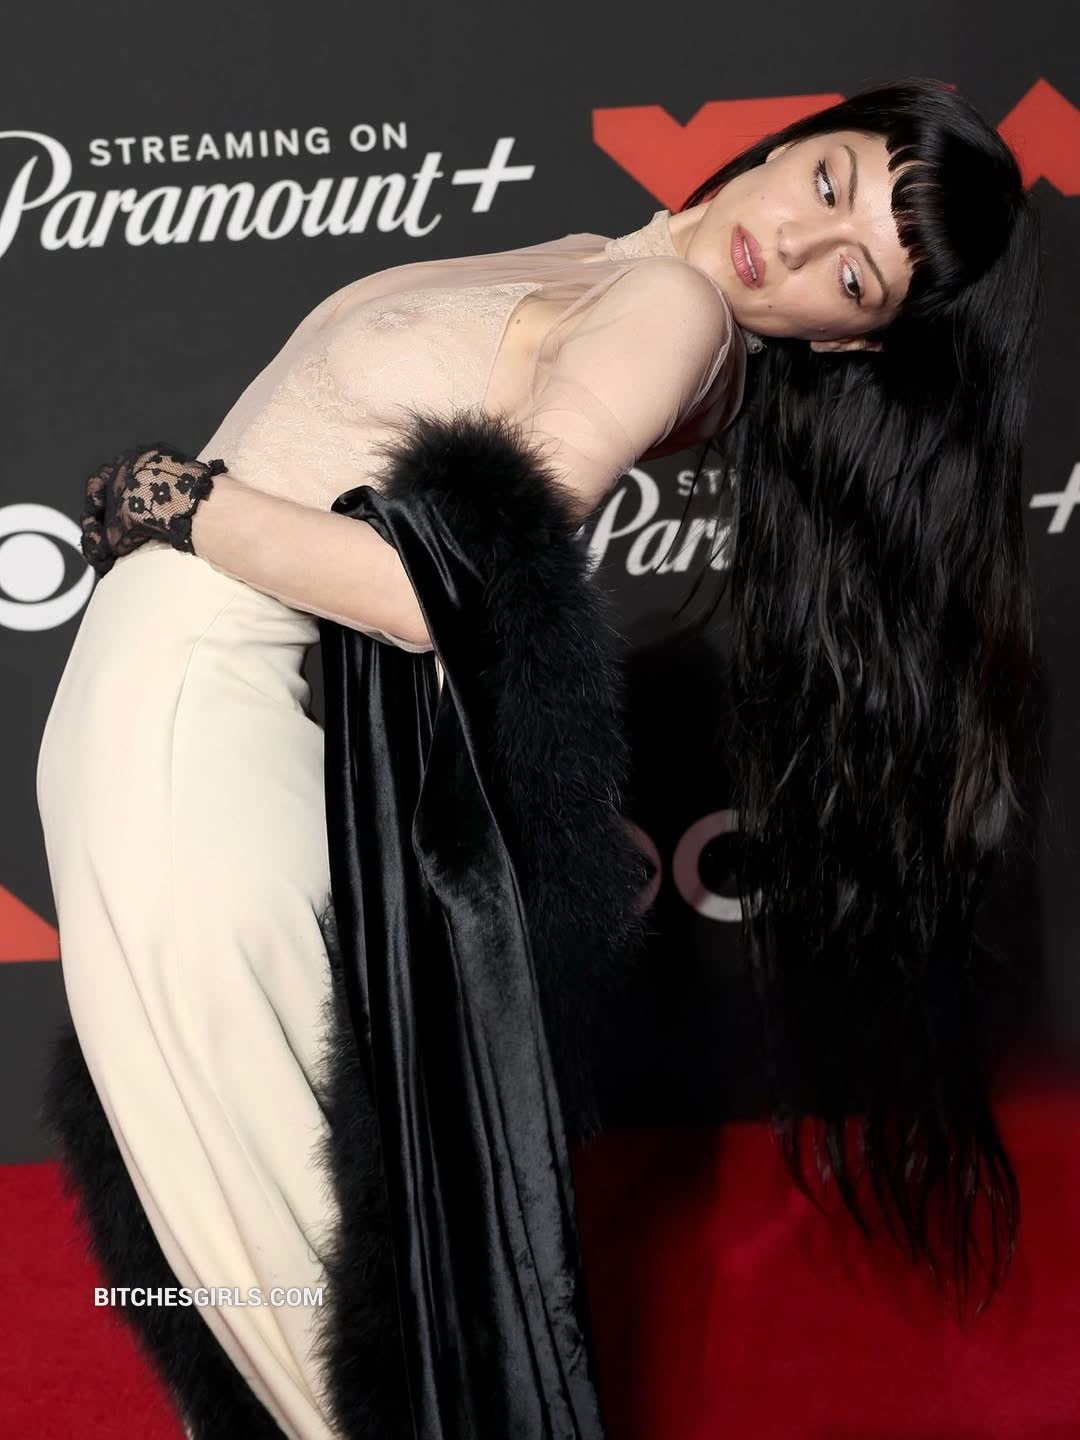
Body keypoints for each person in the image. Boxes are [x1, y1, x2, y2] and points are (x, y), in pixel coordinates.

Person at [35, 74, 1040, 1439]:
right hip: (172, 727)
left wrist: (180, 503)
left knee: (305, 1321)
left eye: (851, 277)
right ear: (801, 138)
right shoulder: (614, 262)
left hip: (190, 735)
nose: (800, 245)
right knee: (268, 1286)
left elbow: (443, 596)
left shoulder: (674, 313)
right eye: (830, 184)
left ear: (849, 341)